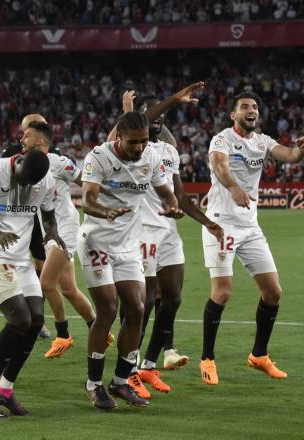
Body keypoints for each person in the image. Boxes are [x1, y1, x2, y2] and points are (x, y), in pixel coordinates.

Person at [199, 91, 304, 385]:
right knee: (222, 291)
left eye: (255, 107)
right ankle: (207, 358)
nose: (252, 110)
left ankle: (258, 356)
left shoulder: (262, 141)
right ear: (233, 114)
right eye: (245, 107)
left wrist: (302, 150)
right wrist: (235, 187)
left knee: (273, 292)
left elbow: (288, 155)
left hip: (250, 228)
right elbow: (219, 165)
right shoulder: (222, 139)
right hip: (221, 225)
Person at [79, 111, 184, 410]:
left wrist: (172, 207)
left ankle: (122, 381)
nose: (139, 147)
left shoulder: (151, 157)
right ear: (119, 138)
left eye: (143, 141)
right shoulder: (98, 157)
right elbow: (87, 198)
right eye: (133, 142)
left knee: (137, 308)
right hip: (95, 241)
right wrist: (105, 212)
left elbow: (166, 193)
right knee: (109, 308)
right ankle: (94, 384)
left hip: (127, 245)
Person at [128, 97, 224, 396]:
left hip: (168, 232)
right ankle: (127, 371)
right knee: (140, 307)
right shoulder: (132, 147)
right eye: (149, 114)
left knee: (173, 299)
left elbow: (179, 195)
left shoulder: (169, 151)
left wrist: (206, 221)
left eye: (161, 114)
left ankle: (148, 364)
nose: (156, 118)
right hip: (142, 232)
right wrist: (134, 112)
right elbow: (132, 125)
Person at [0, 149, 63, 418]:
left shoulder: (45, 182)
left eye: (32, 183)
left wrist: (52, 235)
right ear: (17, 161)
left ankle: (4, 389)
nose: (26, 186)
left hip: (20, 258)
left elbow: (49, 218)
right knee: (20, 319)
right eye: (23, 179)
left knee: (36, 319)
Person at [19, 121, 105, 359]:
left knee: (46, 283)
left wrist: (104, 201)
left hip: (64, 229)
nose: (21, 140)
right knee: (68, 289)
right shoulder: (26, 165)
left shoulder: (58, 163)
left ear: (39, 141)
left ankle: (63, 335)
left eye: (26, 136)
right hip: (50, 232)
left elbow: (85, 181)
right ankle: (99, 330)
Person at [0, 114, 52, 339]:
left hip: (38, 221)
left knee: (41, 265)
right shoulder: (10, 154)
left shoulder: (48, 157)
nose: (23, 136)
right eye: (24, 130)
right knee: (18, 264)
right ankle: (18, 308)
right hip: (17, 221)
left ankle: (37, 316)